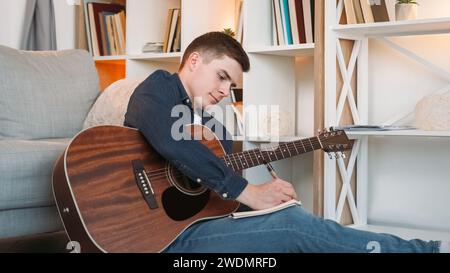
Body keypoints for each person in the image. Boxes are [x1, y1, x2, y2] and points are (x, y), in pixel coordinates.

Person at [124, 31, 447, 253]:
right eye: (222, 76)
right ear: (194, 61)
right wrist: (249, 193)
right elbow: (173, 143)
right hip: (146, 235)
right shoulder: (156, 90)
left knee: (294, 219)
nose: (225, 91)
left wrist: (263, 200)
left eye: (232, 85)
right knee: (294, 227)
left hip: (186, 225)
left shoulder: (216, 129)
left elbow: (211, 198)